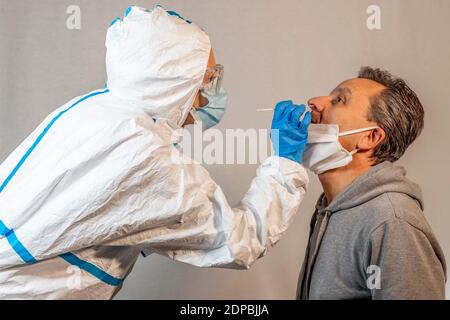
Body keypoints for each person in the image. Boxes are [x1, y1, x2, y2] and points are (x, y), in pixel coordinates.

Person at [0, 6, 311, 299]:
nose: (210, 95)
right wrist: (285, 164)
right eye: (207, 80)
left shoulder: (96, 110)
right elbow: (240, 240)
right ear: (173, 82)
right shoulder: (149, 160)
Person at [297, 67, 447, 300]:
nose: (314, 102)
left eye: (339, 100)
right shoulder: (332, 209)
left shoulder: (392, 221)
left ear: (370, 137)